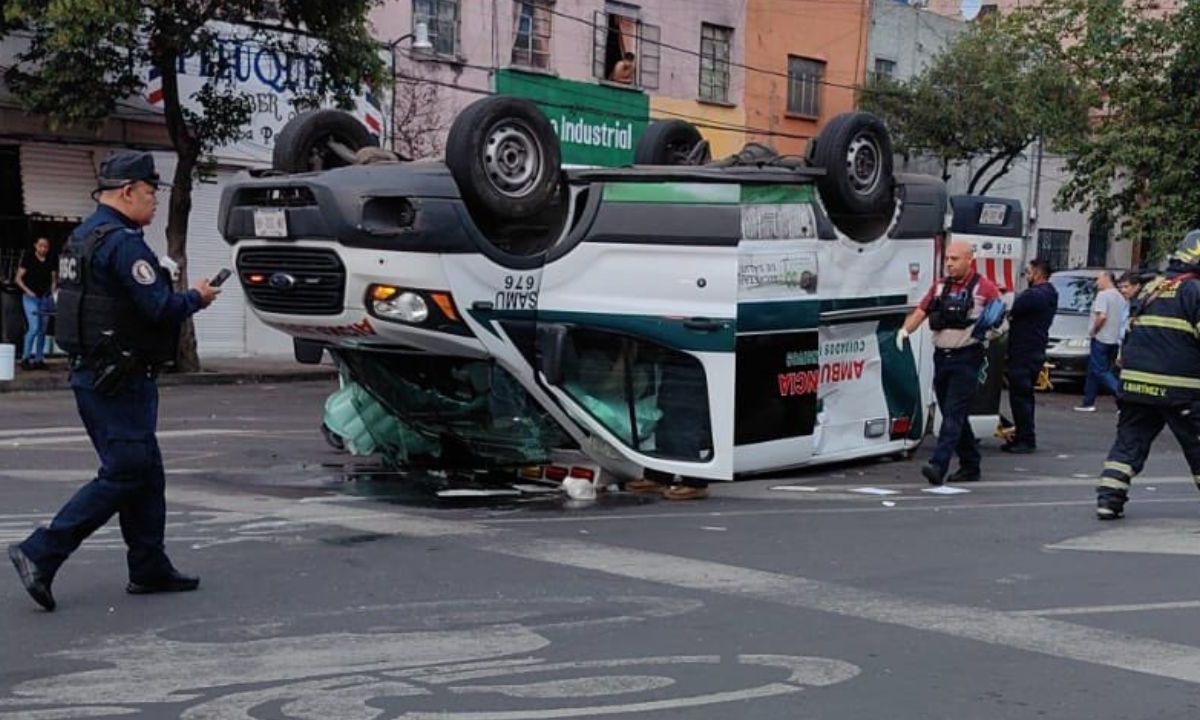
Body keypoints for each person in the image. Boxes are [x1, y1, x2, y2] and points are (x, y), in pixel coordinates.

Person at [7, 151, 220, 611]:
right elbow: (159, 308)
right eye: (149, 193)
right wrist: (197, 297)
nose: (154, 202)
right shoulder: (124, 243)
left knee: (146, 471)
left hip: (93, 375)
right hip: (119, 379)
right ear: (127, 192)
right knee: (125, 472)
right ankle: (41, 552)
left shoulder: (81, 237)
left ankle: (149, 565)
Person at [1094, 230, 1200, 520]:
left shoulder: (1154, 288)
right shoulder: (1195, 292)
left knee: (1128, 444)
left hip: (1136, 385)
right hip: (1181, 390)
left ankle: (1109, 499)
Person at [897, 241, 1004, 485]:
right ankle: (970, 464)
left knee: (953, 414)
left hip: (967, 357)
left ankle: (938, 465)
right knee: (952, 412)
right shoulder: (939, 287)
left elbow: (1000, 320)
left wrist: (986, 333)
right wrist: (904, 332)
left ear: (969, 260)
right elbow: (921, 311)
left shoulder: (984, 288)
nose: (949, 263)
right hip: (942, 357)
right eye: (947, 258)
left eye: (955, 259)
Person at [1002, 259, 1058, 454]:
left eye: (1028, 273)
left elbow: (1012, 310)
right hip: (1034, 349)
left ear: (1037, 274)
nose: (1026, 276)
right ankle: (1023, 435)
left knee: (1020, 397)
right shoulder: (1050, 293)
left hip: (1023, 351)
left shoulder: (1033, 296)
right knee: (1024, 396)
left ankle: (1025, 438)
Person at [1075, 270, 1125, 412]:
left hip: (1101, 338)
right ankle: (1088, 402)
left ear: (1106, 278)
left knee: (1099, 370)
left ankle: (1121, 395)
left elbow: (1102, 316)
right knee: (1095, 371)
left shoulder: (1103, 295)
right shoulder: (1120, 297)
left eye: (1099, 279)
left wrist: (1094, 331)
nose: (1097, 282)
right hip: (1114, 339)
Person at [15, 236, 56, 370]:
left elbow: (54, 279)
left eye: (46, 246)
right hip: (30, 297)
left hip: (45, 297)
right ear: (35, 246)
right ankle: (25, 357)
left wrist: (53, 294)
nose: (43, 249)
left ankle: (39, 358)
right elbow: (18, 279)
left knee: (43, 330)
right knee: (34, 327)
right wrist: (27, 290)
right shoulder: (29, 258)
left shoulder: (50, 260)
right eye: (41, 246)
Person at [1116, 271, 1142, 341]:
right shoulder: (1126, 301)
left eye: (1126, 286)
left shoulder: (1141, 305)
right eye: (1121, 287)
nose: (1122, 290)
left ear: (1137, 286)